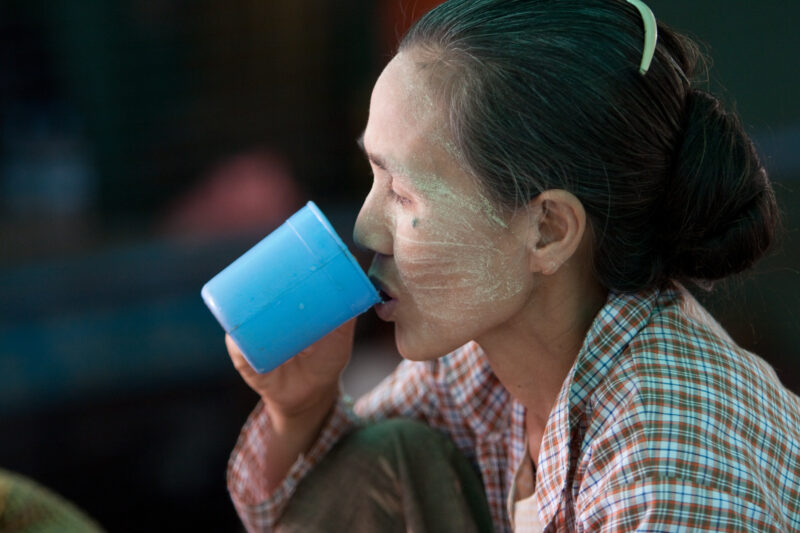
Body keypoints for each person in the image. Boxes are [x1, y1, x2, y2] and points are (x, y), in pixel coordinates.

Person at [224, 0, 800, 531]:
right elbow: (312, 508)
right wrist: (298, 408)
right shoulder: (483, 362)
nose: (366, 229)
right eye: (374, 175)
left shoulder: (668, 466)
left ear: (547, 231)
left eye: (402, 193)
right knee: (386, 457)